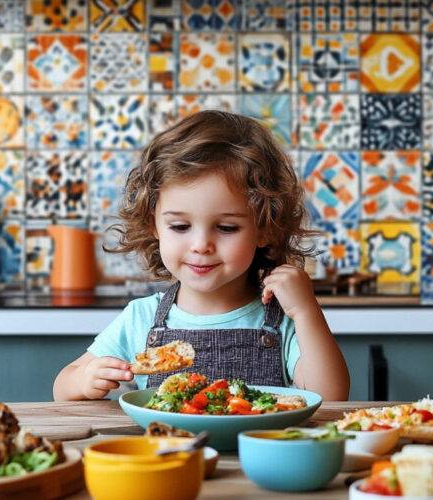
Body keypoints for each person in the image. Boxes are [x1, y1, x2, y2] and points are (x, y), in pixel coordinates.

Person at [53, 110, 350, 401]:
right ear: (153, 224)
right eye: (180, 226)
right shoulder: (140, 319)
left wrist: (306, 311)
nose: (201, 245)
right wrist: (85, 379)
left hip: (259, 450)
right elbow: (62, 386)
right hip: (170, 450)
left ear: (265, 229)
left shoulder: (283, 317)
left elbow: (330, 396)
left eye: (226, 227)